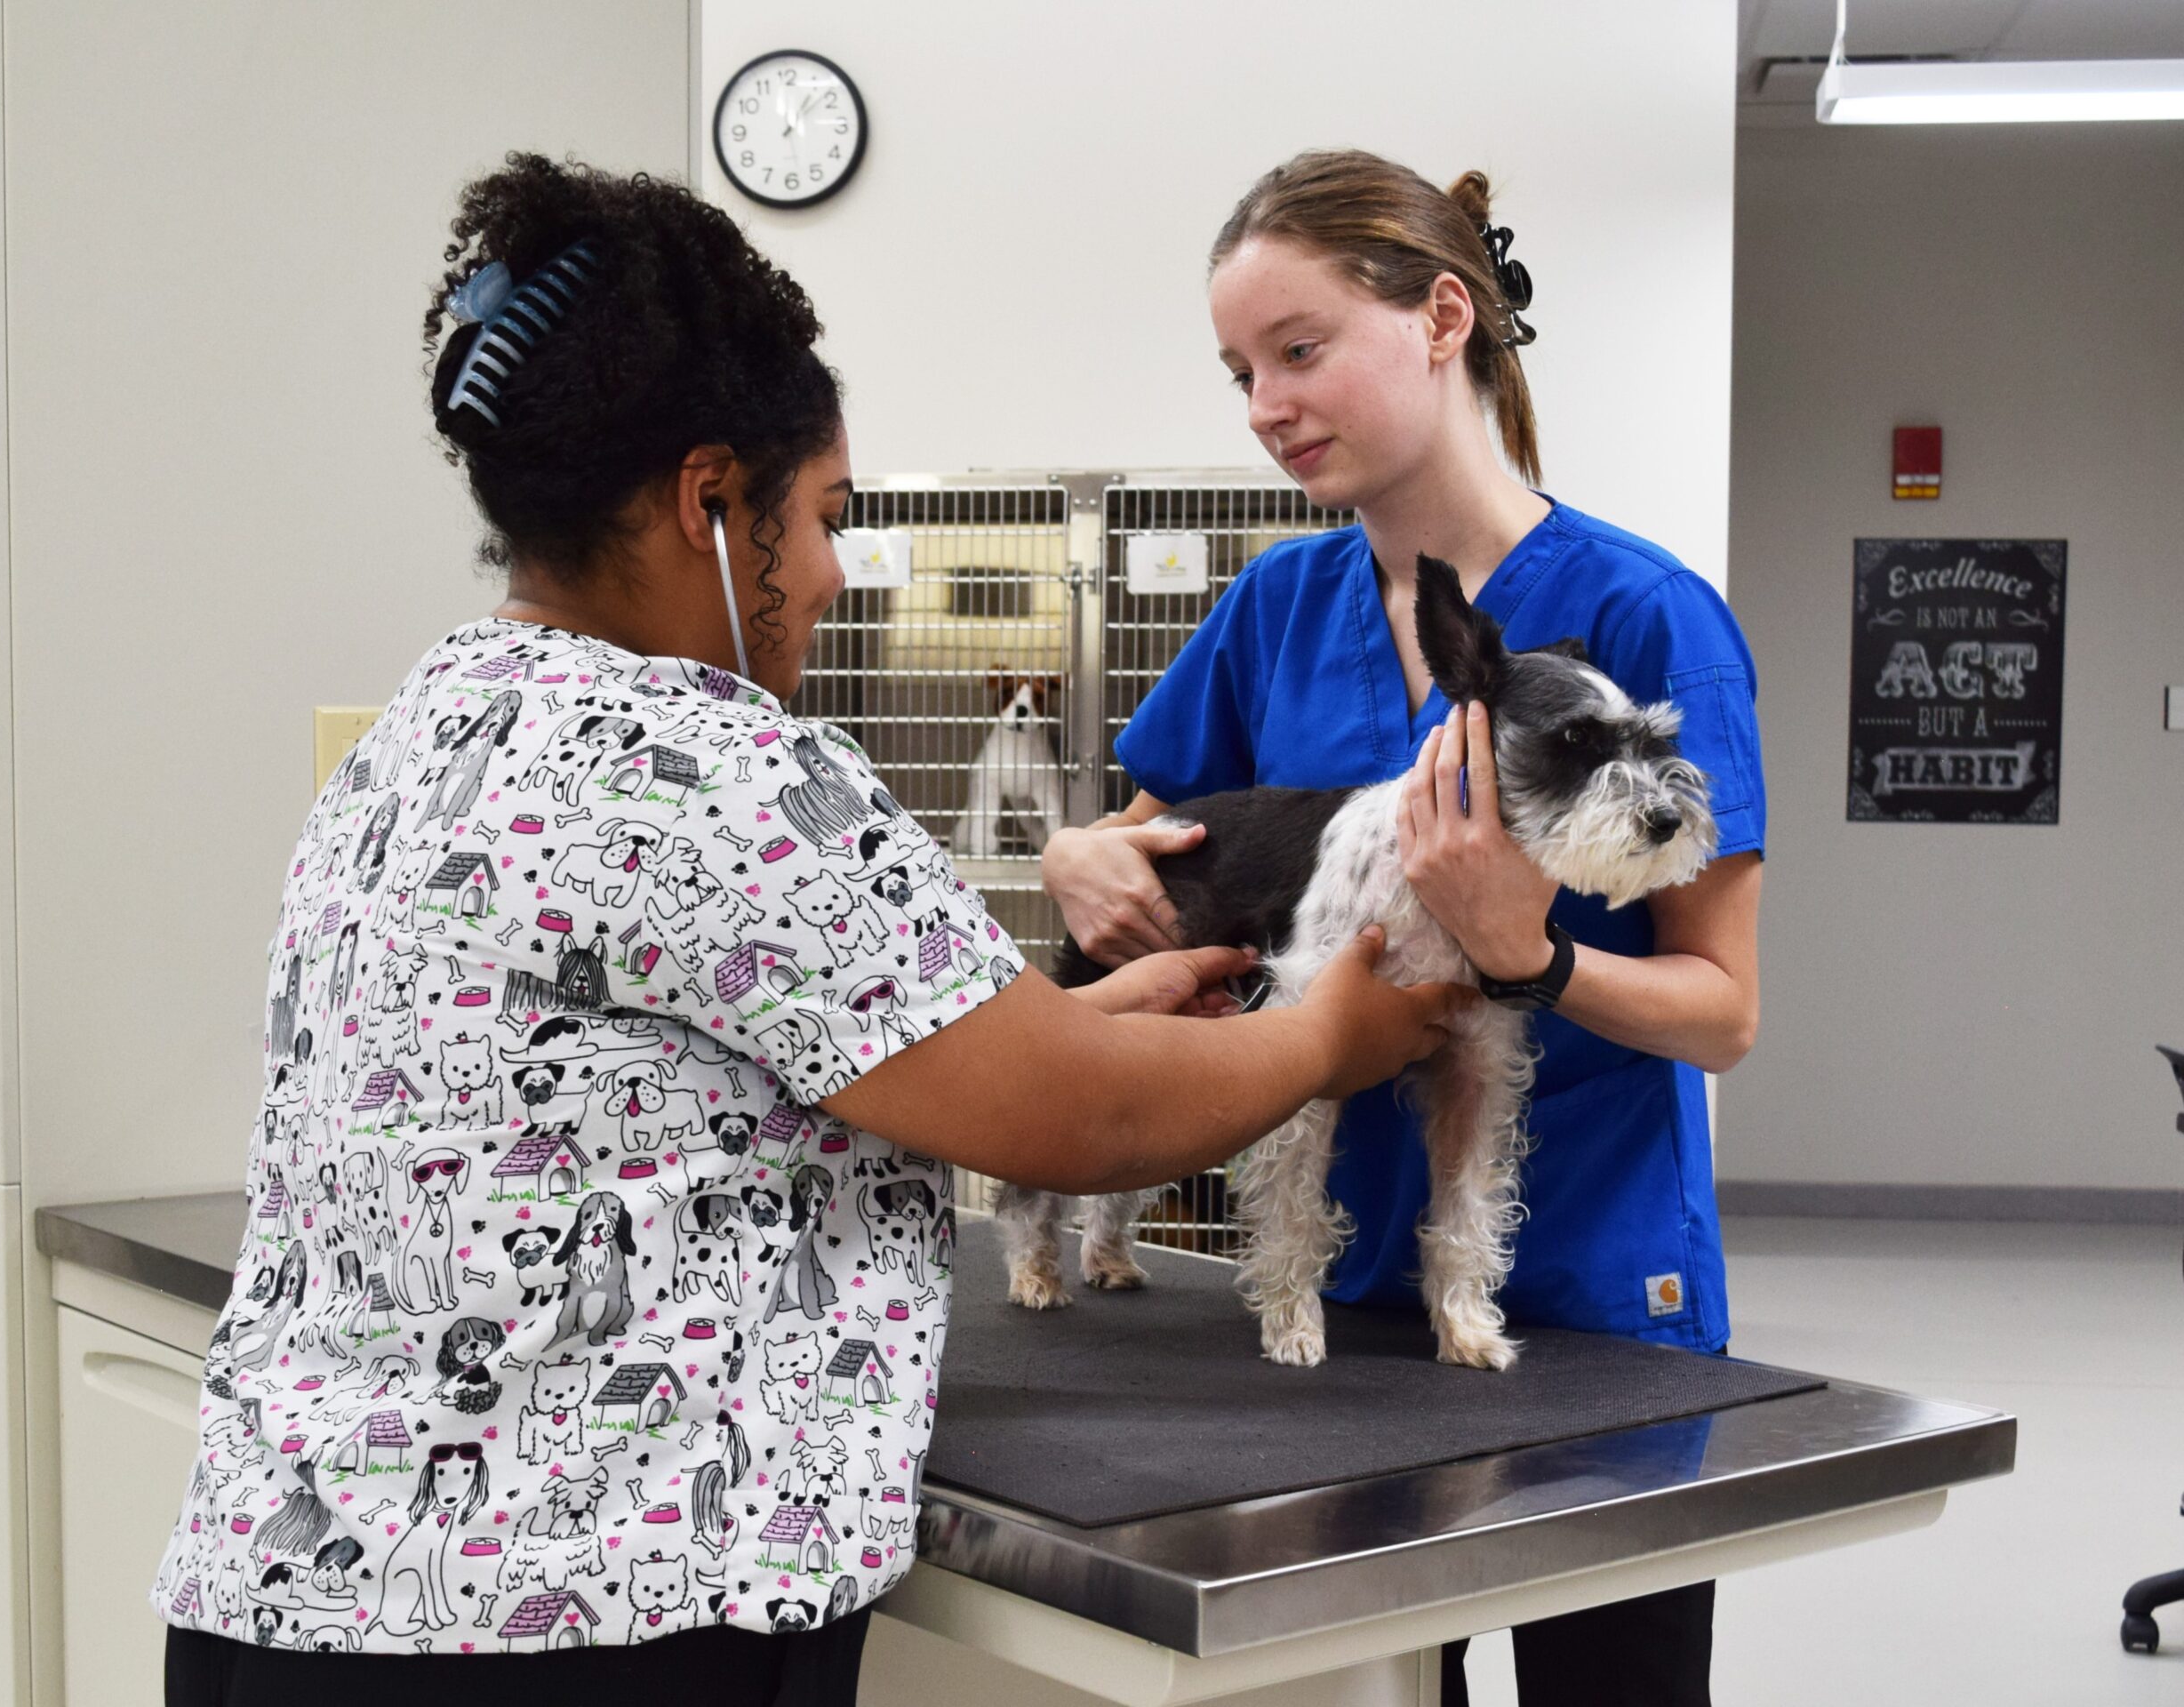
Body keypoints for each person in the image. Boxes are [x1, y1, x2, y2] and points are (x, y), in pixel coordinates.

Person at [150, 153, 1475, 1707]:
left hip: (292, 1595)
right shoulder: (711, 764)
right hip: (580, 1626)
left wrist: (1098, 1016)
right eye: (828, 515)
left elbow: (759, 1068)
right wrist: (1327, 1034)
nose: (839, 574)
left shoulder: (427, 731)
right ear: (712, 500)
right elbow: (1075, 1117)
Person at [1041, 150, 1767, 1707]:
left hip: (1580, 1294)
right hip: (1332, 1311)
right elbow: (1156, 836)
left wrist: (1537, 958)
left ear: (1445, 317)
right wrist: (1071, 855)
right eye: (1242, 372)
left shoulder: (1646, 618)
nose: (1265, 405)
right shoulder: (1276, 606)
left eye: (1300, 352)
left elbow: (1724, 1013)